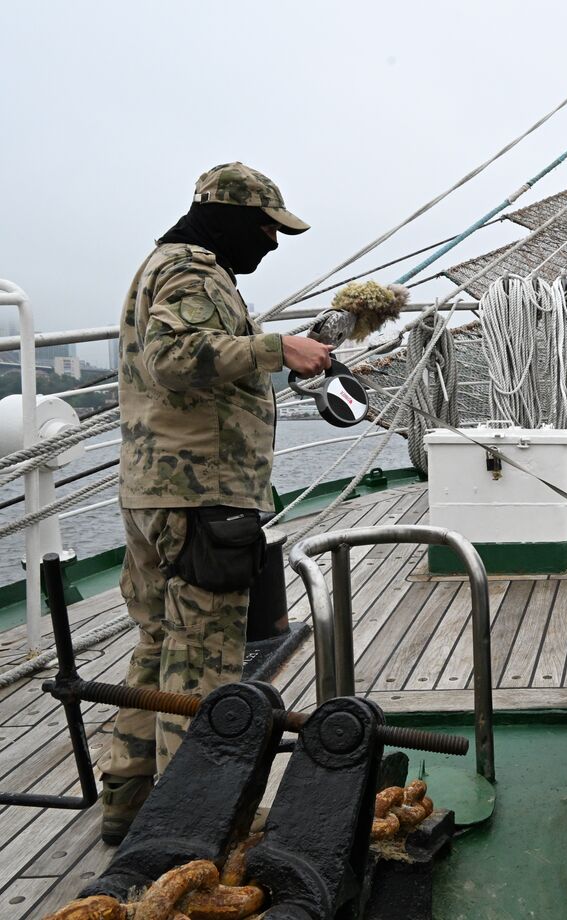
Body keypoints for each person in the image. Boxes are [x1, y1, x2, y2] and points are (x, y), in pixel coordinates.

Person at [99, 163, 335, 843]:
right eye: (265, 228)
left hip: (154, 491)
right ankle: (196, 822)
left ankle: (130, 805)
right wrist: (275, 347)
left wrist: (275, 357)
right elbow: (172, 359)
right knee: (203, 664)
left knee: (157, 647)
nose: (273, 242)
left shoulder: (166, 265)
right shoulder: (196, 271)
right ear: (229, 218)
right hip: (200, 496)